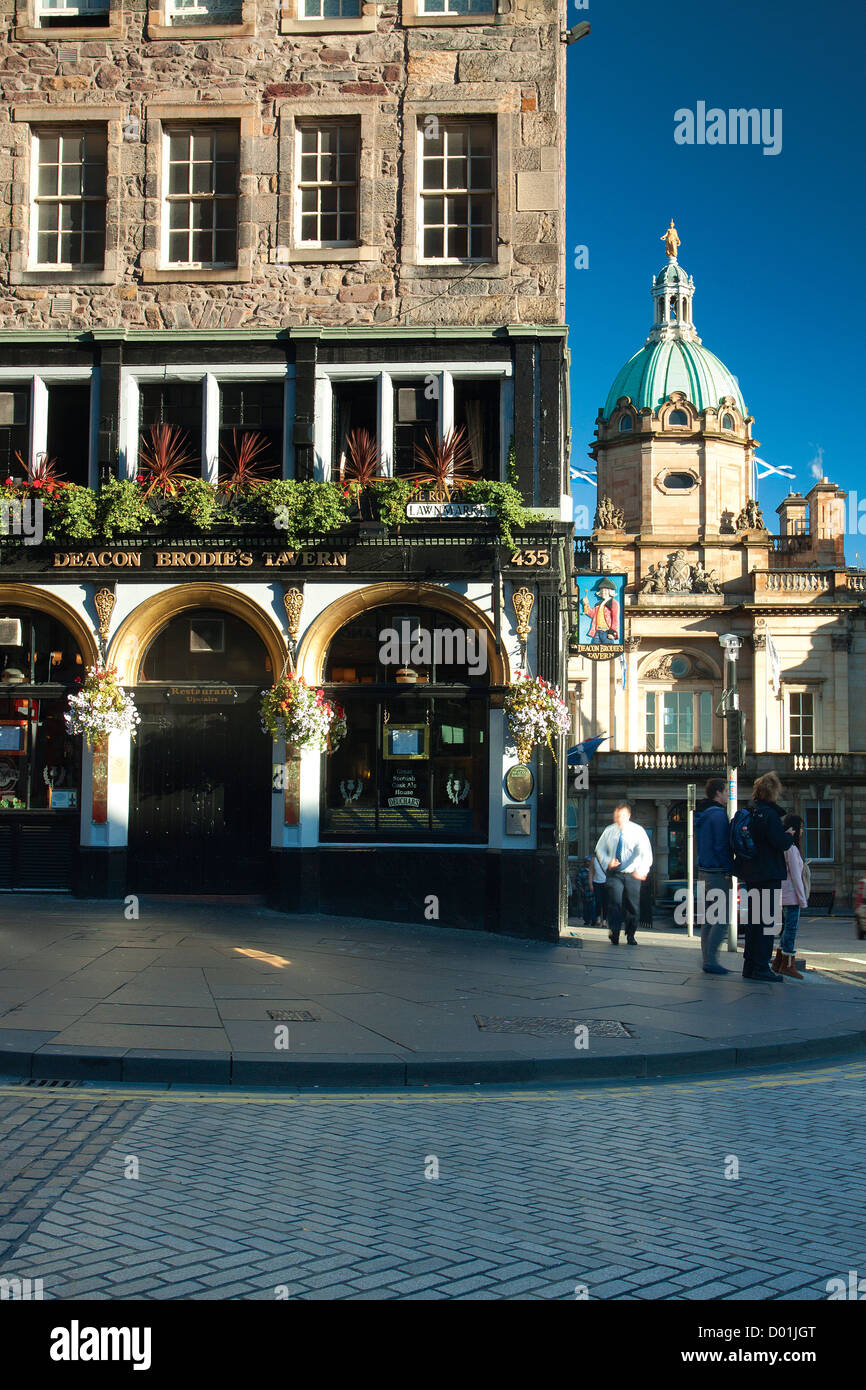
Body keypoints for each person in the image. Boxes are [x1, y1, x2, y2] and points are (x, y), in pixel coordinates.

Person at [733, 772, 796, 983]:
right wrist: (789, 836)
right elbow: (780, 843)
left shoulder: (750, 812)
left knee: (753, 921)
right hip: (768, 874)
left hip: (751, 874)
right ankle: (761, 967)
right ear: (773, 792)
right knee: (766, 921)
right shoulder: (769, 815)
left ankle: (750, 966)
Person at [594, 802, 653, 945]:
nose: (619, 819)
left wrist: (643, 870)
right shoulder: (609, 831)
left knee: (632, 905)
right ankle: (614, 932)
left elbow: (646, 852)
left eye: (622, 816)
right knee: (615, 902)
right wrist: (608, 860)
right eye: (617, 816)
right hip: (615, 874)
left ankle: (631, 934)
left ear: (629, 816)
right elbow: (599, 849)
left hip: (632, 873)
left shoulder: (638, 831)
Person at [694, 776, 733, 975]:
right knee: (722, 918)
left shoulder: (703, 814)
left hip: (703, 871)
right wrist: (729, 869)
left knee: (708, 918)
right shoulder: (718, 815)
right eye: (726, 791)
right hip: (717, 872)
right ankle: (711, 960)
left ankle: (707, 958)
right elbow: (721, 846)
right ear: (718, 792)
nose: (728, 794)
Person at [773, 814, 808, 979]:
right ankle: (787, 964)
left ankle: (779, 962)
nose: (802, 831)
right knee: (791, 929)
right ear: (794, 828)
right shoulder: (792, 849)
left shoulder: (782, 846)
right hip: (791, 895)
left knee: (785, 929)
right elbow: (795, 876)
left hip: (783, 894)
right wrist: (803, 899)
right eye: (800, 827)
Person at [589, 853, 607, 926]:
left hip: (606, 883)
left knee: (605, 902)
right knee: (598, 901)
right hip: (596, 882)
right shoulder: (594, 860)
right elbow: (591, 872)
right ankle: (598, 918)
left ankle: (605, 920)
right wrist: (590, 884)